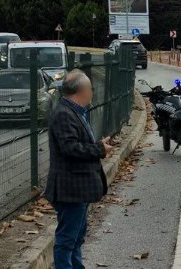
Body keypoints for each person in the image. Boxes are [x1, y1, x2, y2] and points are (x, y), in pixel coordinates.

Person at [45, 70, 114, 269]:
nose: (92, 92)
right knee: (67, 240)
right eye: (90, 89)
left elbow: (75, 143)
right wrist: (99, 149)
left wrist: (97, 145)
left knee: (76, 237)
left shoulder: (74, 112)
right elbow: (70, 148)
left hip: (78, 187)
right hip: (70, 189)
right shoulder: (64, 114)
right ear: (82, 91)